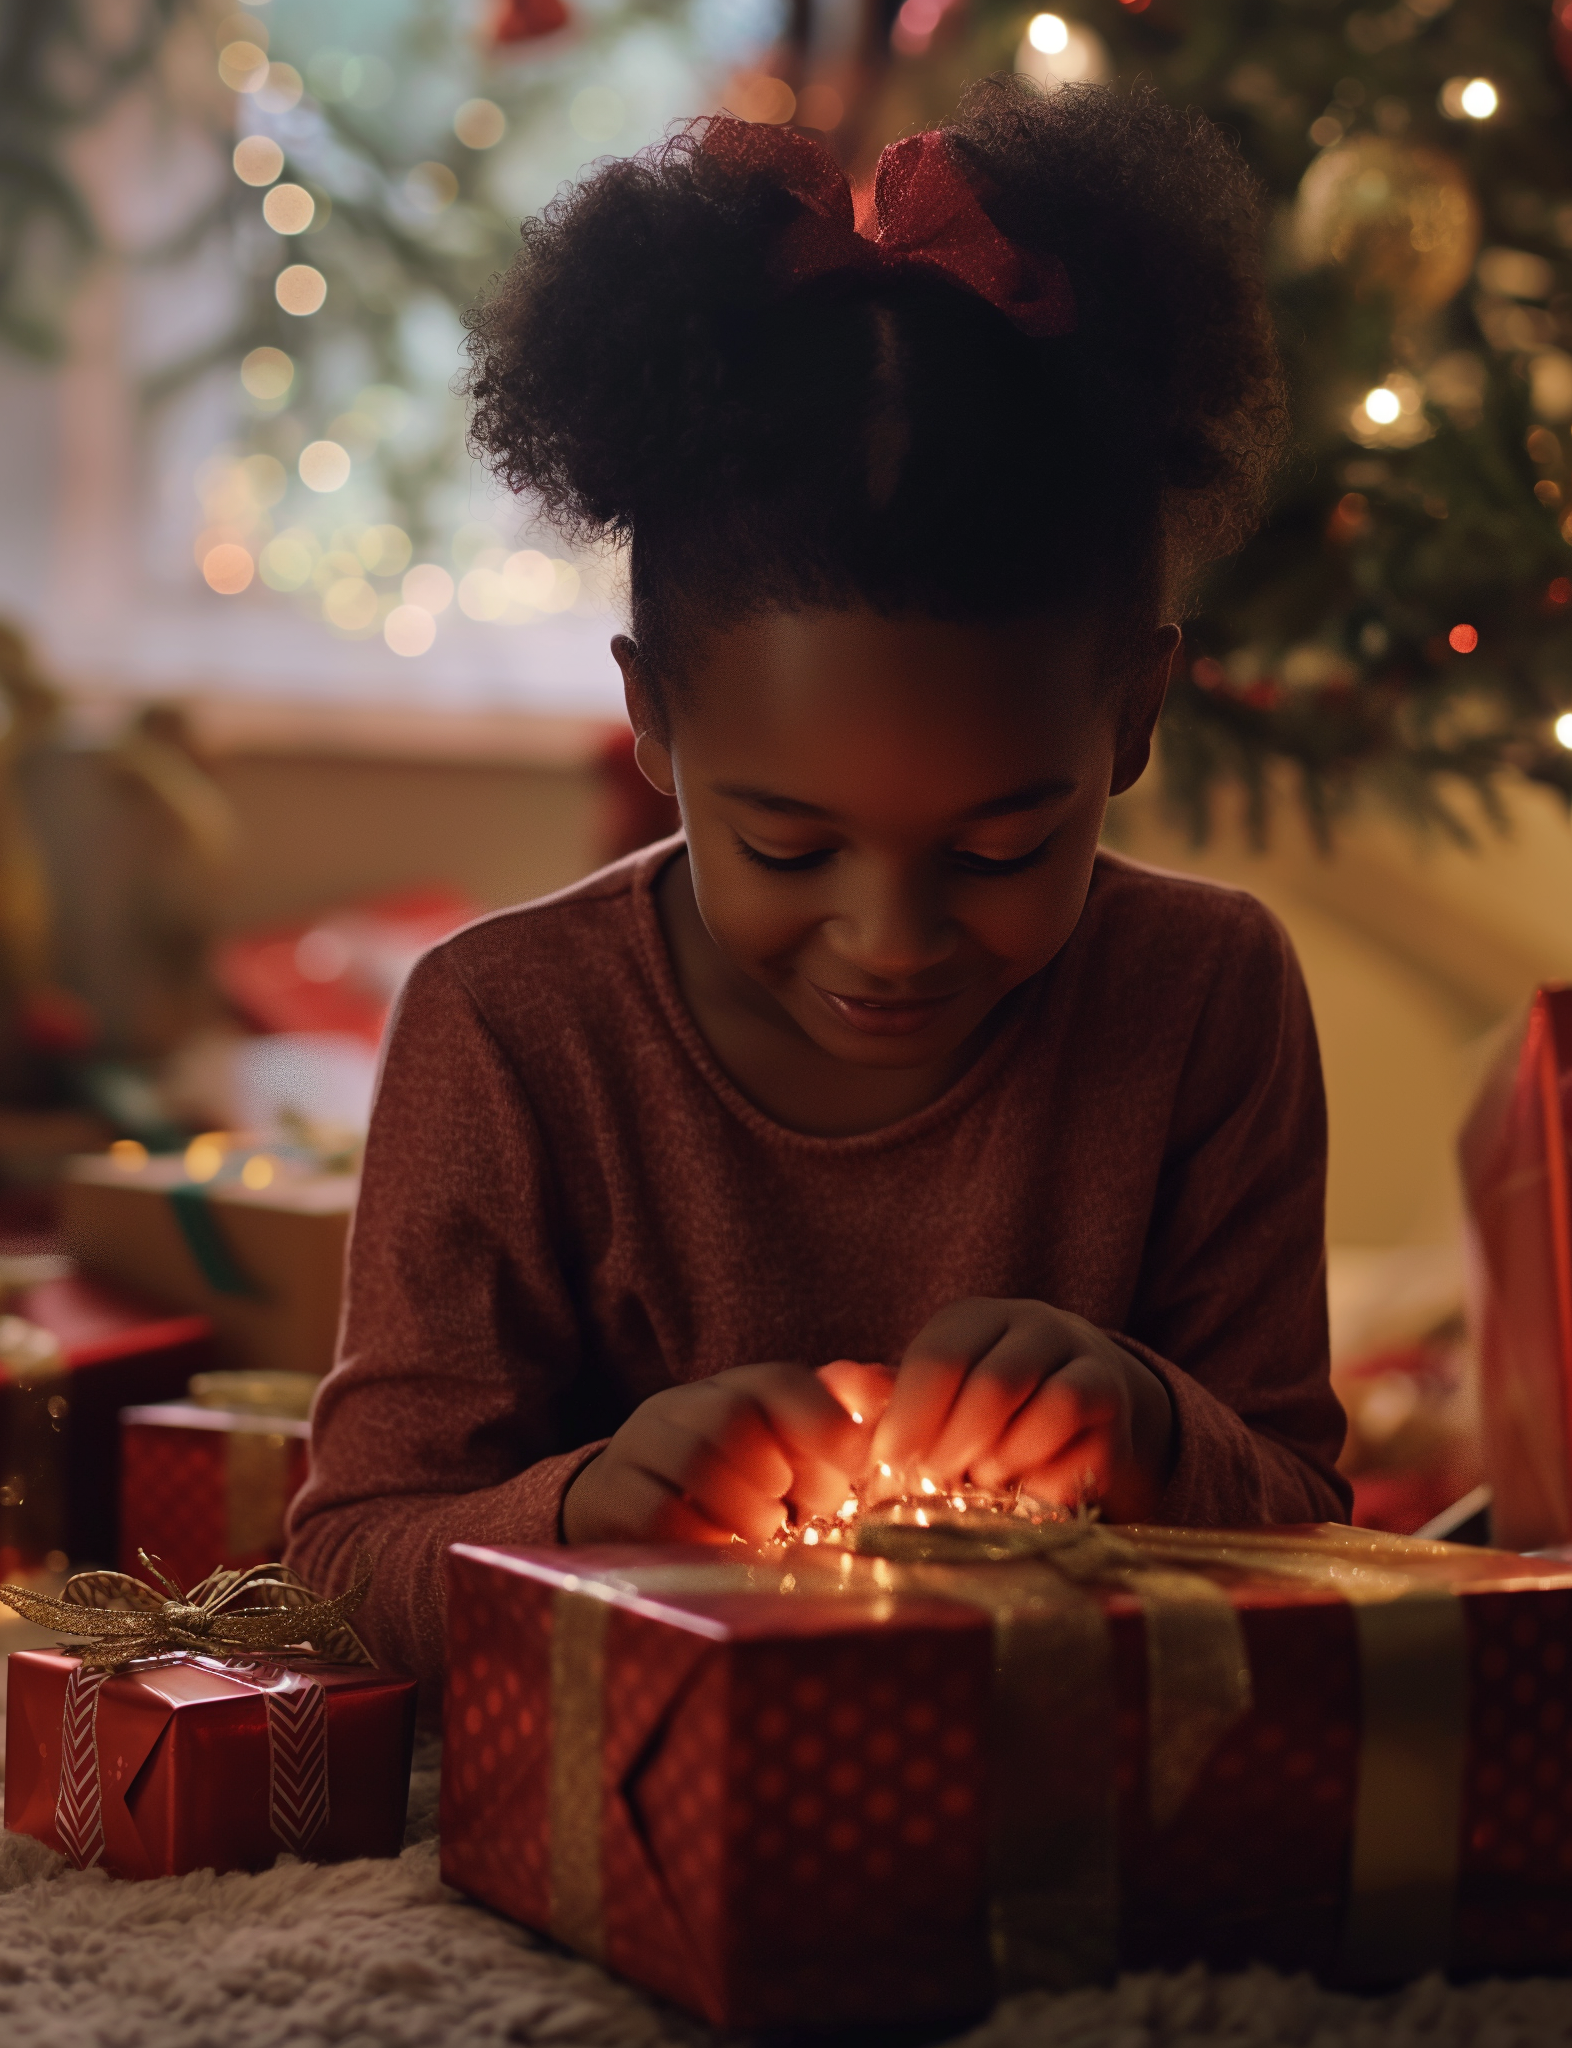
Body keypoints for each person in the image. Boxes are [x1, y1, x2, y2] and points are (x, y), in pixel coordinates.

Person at [286, 81, 1348, 1685]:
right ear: (650, 719)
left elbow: (1321, 1538)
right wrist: (583, 1511)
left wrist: (1149, 1426)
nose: (889, 938)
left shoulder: (1206, 999)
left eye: (1001, 847)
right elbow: (345, 1564)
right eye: (789, 846)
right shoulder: (507, 1029)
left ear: (1133, 715)